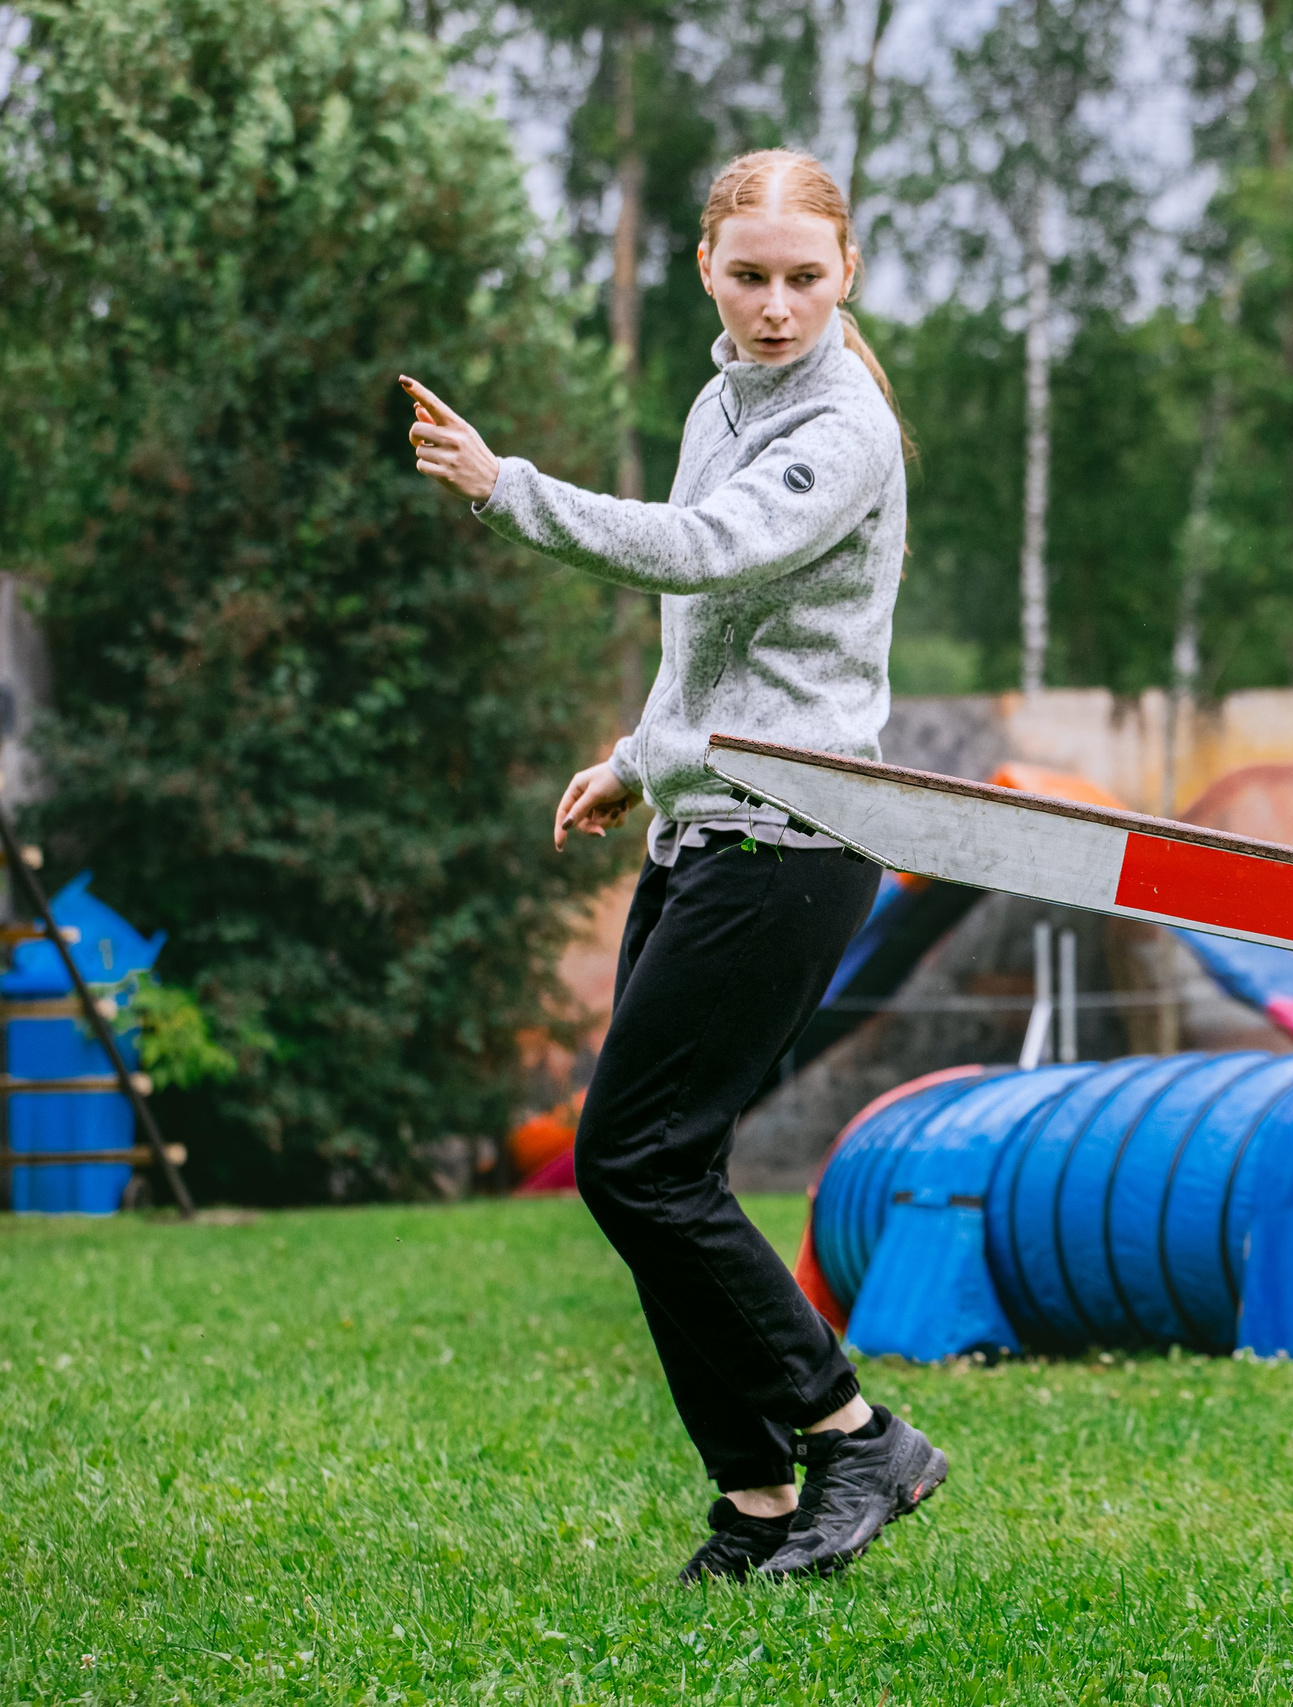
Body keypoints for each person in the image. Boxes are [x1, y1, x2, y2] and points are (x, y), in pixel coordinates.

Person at [402, 148, 943, 1584]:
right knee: (660, 1167)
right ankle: (756, 1502)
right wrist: (641, 759)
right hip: (708, 820)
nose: (777, 306)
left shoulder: (844, 427)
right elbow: (715, 644)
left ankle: (857, 1435)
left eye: (805, 279)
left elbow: (706, 553)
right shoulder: (723, 398)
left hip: (797, 836)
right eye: (751, 275)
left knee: (631, 1161)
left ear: (850, 275)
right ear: (705, 265)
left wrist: (506, 487)